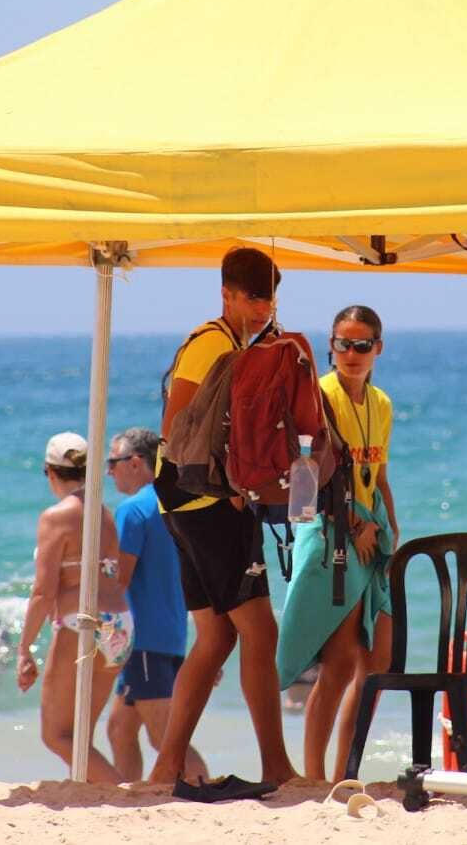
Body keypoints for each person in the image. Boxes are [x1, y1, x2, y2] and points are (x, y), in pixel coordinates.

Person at [148, 246, 298, 790]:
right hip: (205, 502)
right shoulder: (213, 343)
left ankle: (166, 766)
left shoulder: (232, 342)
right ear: (227, 294)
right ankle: (276, 766)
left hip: (184, 502)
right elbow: (176, 425)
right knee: (260, 630)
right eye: (252, 297)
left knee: (215, 638)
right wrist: (230, 486)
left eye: (269, 298)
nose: (262, 308)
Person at [276, 304, 399, 781]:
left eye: (361, 344)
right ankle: (314, 778)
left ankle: (346, 770)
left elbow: (378, 474)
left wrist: (390, 527)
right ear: (331, 346)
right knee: (340, 662)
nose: (351, 353)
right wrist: (354, 524)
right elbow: (314, 474)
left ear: (377, 348)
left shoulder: (381, 403)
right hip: (331, 534)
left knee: (378, 662)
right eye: (343, 344)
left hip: (371, 534)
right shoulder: (320, 395)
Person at [16, 432, 134, 782]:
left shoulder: (56, 517)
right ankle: (98, 795)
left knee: (58, 735)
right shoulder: (104, 513)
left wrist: (24, 649)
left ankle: (121, 796)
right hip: (120, 623)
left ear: (51, 472)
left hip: (82, 622)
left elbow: (43, 591)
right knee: (80, 736)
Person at [104, 426, 208, 782]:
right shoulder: (174, 503)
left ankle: (205, 791)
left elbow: (119, 579)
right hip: (172, 635)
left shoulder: (132, 510)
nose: (109, 472)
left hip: (143, 640)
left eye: (113, 463)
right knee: (119, 729)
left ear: (136, 463)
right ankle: (125, 793)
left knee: (166, 740)